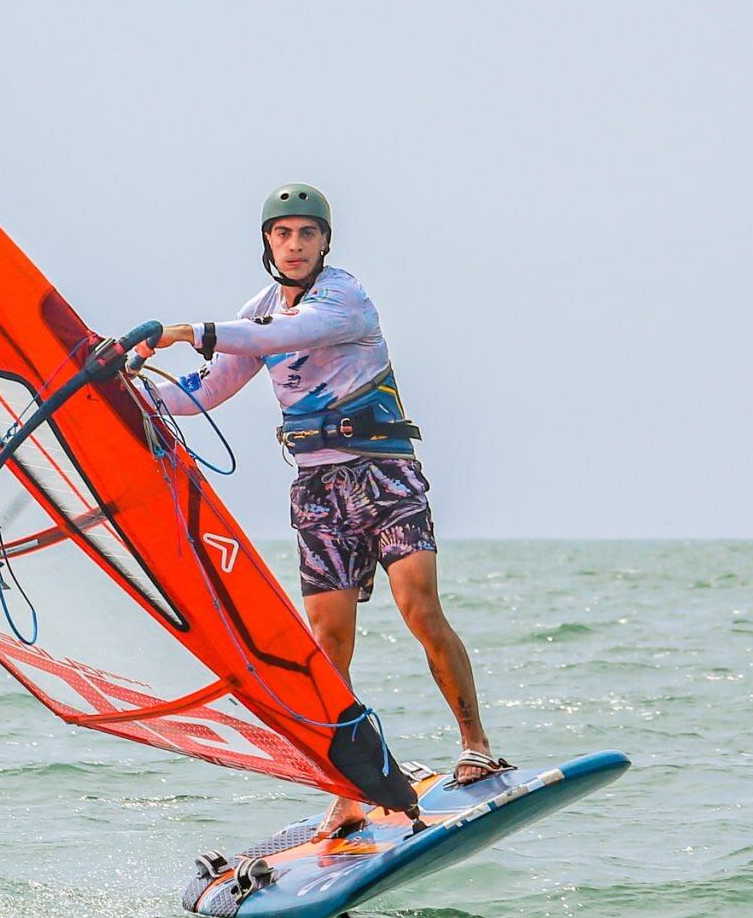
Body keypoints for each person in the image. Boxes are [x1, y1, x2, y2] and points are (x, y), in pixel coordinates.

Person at [138, 183, 501, 834]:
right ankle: (347, 789)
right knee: (327, 645)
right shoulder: (258, 312)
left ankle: (476, 744)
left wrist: (194, 330)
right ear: (267, 242)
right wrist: (135, 393)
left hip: (384, 473)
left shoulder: (344, 297)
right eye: (284, 233)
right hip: (317, 491)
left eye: (308, 233)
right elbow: (213, 384)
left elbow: (297, 331)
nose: (296, 243)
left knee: (419, 605)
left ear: (326, 242)